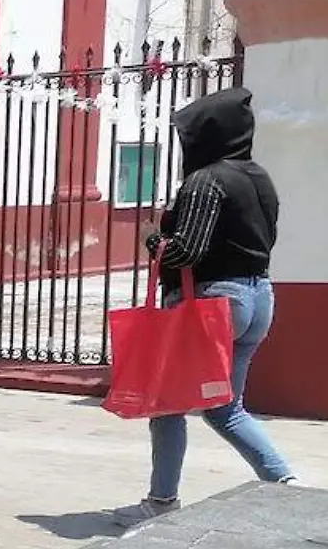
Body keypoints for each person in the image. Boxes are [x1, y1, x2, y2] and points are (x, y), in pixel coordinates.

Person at [112, 86, 297, 526]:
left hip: (213, 304)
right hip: (257, 299)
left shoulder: (204, 181)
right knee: (225, 406)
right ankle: (284, 483)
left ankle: (160, 503)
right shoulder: (259, 178)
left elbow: (186, 252)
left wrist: (153, 240)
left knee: (167, 403)